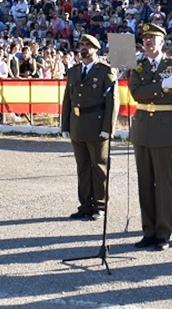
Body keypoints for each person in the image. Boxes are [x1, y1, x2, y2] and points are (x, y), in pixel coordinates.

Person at [127, 23, 172, 251]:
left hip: (165, 129)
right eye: (145, 39)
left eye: (153, 38)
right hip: (142, 129)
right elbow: (136, 93)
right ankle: (148, 231)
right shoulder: (139, 66)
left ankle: (163, 233)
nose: (148, 42)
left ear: (162, 42)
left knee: (163, 184)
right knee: (144, 183)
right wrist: (162, 86)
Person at [60, 34, 118, 221]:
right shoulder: (74, 71)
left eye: (88, 45)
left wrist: (108, 128)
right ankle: (85, 205)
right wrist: (65, 124)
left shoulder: (105, 71)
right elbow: (67, 99)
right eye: (82, 45)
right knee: (82, 167)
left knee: (99, 167)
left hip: (97, 124)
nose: (84, 48)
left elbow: (112, 102)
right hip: (78, 125)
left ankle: (100, 206)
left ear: (96, 49)